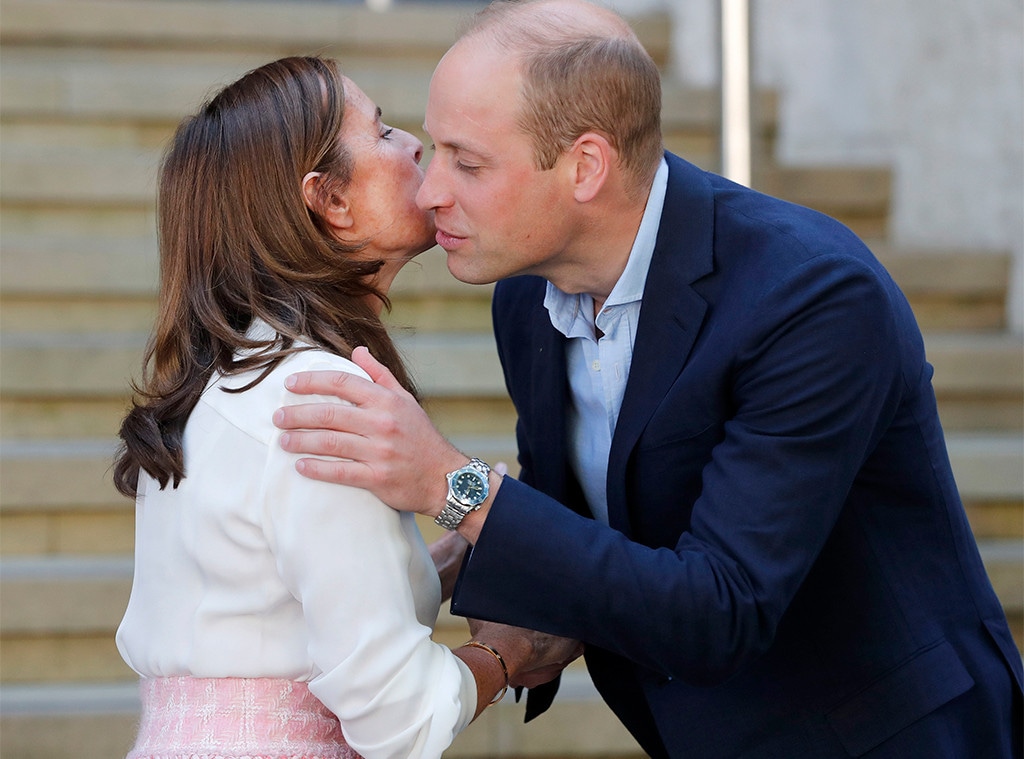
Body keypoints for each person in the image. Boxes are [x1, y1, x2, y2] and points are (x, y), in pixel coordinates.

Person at [272, 3, 1024, 757]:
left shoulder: (813, 297)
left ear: (586, 167)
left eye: (468, 162)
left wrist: (451, 485)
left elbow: (719, 610)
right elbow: (590, 514)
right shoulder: (526, 297)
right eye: (433, 148)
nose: (430, 190)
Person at [112, 55, 581, 759]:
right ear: (329, 199)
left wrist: (447, 559)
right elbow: (399, 717)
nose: (414, 144)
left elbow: (277, 603)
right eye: (384, 131)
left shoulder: (235, 377)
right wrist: (506, 654)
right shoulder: (323, 399)